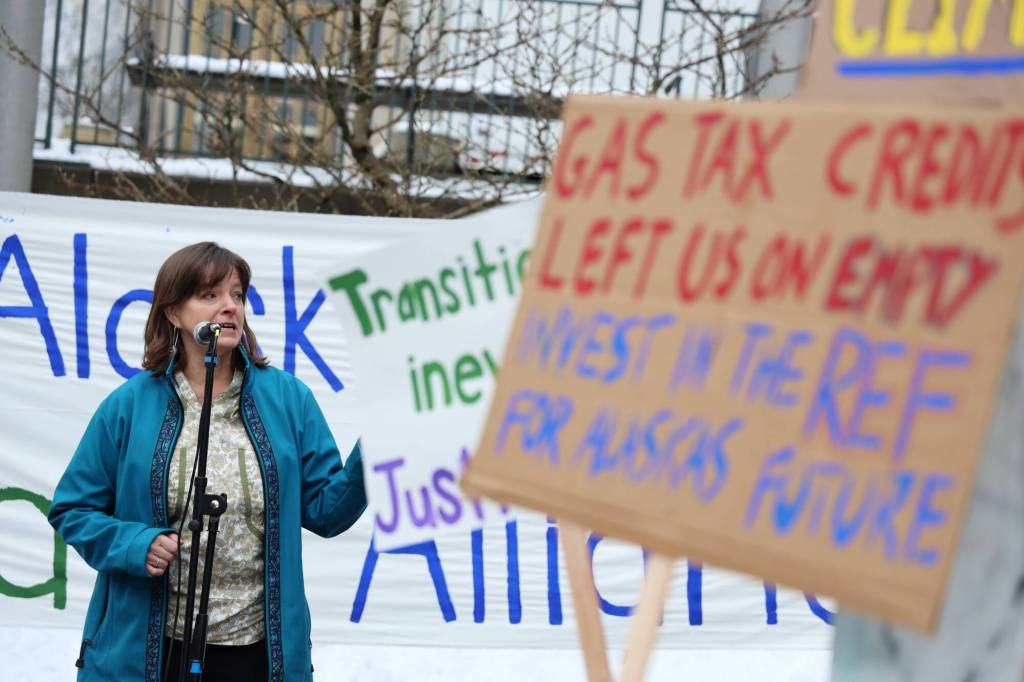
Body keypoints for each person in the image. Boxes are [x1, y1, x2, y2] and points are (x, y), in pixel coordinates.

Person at [49, 242, 367, 681]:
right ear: (173, 313)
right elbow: (72, 509)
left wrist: (374, 453)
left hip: (256, 655)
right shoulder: (128, 406)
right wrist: (134, 544)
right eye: (210, 295)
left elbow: (327, 511)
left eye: (237, 295)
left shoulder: (290, 400)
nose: (229, 307)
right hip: (148, 653)